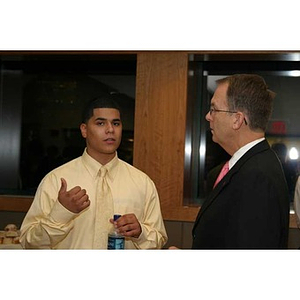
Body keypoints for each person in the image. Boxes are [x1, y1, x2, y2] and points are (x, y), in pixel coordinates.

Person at [20, 95, 167, 249]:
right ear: (84, 130)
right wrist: (62, 213)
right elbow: (29, 242)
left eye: (116, 123)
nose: (110, 129)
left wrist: (140, 233)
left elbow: (159, 240)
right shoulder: (57, 180)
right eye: (101, 123)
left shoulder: (142, 183)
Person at [192, 74, 290, 249]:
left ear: (237, 119)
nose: (208, 116)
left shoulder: (258, 177)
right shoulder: (241, 167)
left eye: (214, 109)